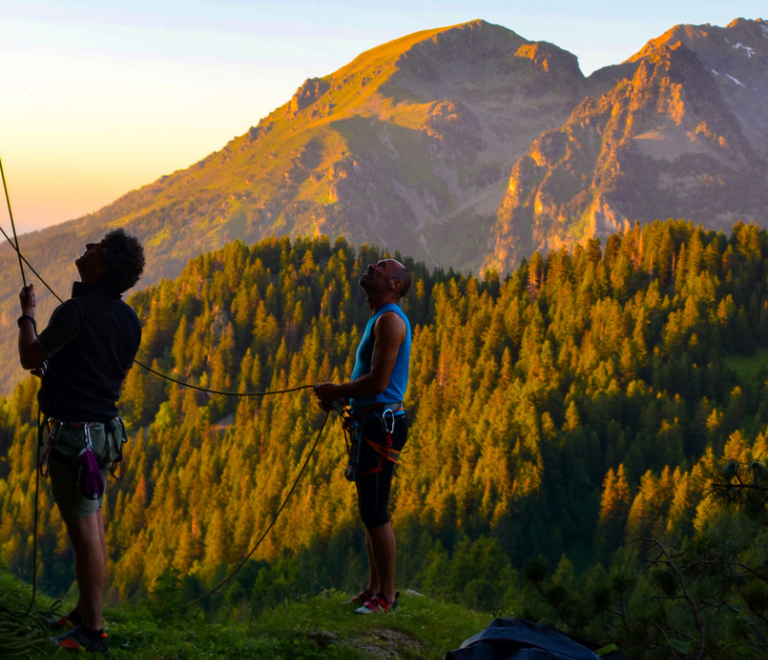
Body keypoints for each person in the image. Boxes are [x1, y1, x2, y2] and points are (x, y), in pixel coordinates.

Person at [17, 228, 145, 653]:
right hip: (104, 435)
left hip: (76, 440)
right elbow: (104, 373)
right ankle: (84, 613)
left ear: (101, 265)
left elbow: (29, 357)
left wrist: (27, 314)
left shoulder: (74, 311)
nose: (87, 248)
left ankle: (92, 629)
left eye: (96, 247)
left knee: (84, 532)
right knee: (95, 526)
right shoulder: (130, 320)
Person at [314, 257, 412, 614]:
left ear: (395, 285)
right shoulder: (381, 318)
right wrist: (339, 396)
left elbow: (379, 382)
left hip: (379, 426)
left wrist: (337, 390)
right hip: (372, 423)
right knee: (368, 510)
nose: (372, 266)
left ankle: (386, 596)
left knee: (376, 511)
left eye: (383, 266)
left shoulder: (389, 320)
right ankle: (374, 589)